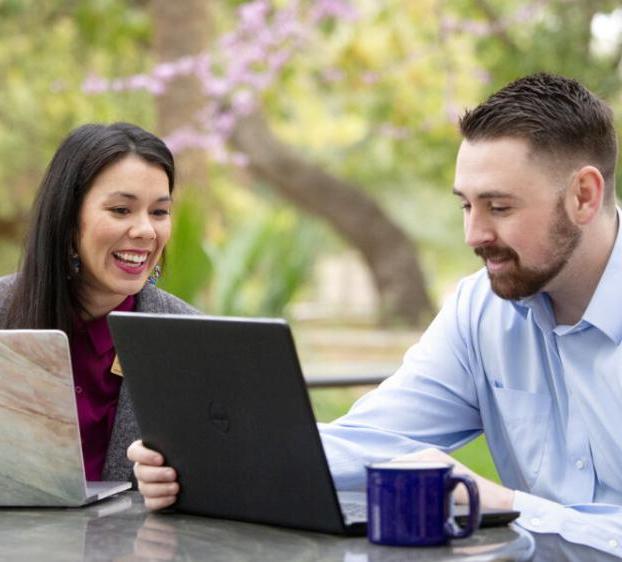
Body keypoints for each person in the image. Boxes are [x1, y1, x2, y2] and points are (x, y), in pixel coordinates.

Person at [129, 73, 622, 551]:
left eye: (499, 207)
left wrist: (510, 504)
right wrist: (210, 456)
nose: (473, 235)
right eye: (466, 207)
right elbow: (376, 439)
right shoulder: (482, 310)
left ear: (583, 196)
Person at [0, 122, 198, 483]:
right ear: (68, 218)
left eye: (159, 212)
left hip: (139, 539)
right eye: (122, 210)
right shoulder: (4, 310)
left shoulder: (191, 337)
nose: (145, 231)